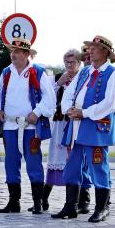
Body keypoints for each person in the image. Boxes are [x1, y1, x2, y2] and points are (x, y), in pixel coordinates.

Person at [52, 36, 115, 223]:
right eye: (89, 48)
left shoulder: (112, 74)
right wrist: (68, 109)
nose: (90, 51)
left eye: (94, 48)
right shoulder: (85, 72)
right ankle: (71, 206)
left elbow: (110, 103)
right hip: (77, 125)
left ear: (105, 51)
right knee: (72, 166)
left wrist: (85, 113)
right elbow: (69, 93)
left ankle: (101, 208)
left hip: (96, 126)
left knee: (98, 166)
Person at [0, 38, 56, 214]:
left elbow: (49, 98)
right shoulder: (6, 73)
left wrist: (37, 112)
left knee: (34, 163)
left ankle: (38, 202)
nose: (13, 54)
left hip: (30, 126)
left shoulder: (38, 72)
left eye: (17, 51)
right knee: (11, 163)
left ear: (26, 54)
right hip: (10, 125)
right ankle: (14, 201)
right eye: (12, 51)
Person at [43, 48, 84, 212]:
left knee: (72, 160)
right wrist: (58, 84)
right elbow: (47, 99)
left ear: (79, 63)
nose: (69, 65)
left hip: (75, 123)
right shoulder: (57, 78)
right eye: (66, 62)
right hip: (60, 124)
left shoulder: (83, 78)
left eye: (72, 62)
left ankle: (76, 201)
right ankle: (43, 199)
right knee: (55, 157)